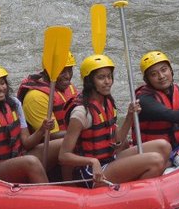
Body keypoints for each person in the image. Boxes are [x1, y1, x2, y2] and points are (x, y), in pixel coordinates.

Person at [59, 54, 171, 187]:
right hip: (91, 173)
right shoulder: (81, 113)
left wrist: (130, 116)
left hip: (109, 159)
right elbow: (63, 156)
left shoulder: (107, 103)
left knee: (164, 146)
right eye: (101, 77)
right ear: (89, 81)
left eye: (109, 76)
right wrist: (92, 162)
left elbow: (117, 142)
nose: (107, 81)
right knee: (156, 160)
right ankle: (135, 194)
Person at [17, 51, 78, 139]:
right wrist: (82, 131)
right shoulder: (36, 97)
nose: (68, 76)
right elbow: (50, 137)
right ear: (48, 71)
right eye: (62, 71)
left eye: (70, 70)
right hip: (45, 147)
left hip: (68, 138)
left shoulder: (68, 86)